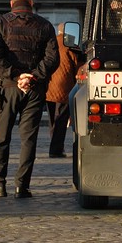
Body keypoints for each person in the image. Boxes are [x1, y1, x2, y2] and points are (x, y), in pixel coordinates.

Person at [0, 0, 59, 199]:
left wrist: (16, 76)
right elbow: (53, 59)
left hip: (7, 88)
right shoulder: (45, 25)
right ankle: (22, 186)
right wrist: (33, 76)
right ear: (31, 3)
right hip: (34, 90)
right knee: (29, 139)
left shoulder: (1, 23)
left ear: (11, 3)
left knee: (1, 137)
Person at [45, 23, 84, 158]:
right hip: (64, 87)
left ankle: (54, 145)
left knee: (52, 119)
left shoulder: (51, 42)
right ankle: (55, 149)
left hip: (49, 87)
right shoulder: (71, 45)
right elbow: (78, 66)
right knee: (61, 120)